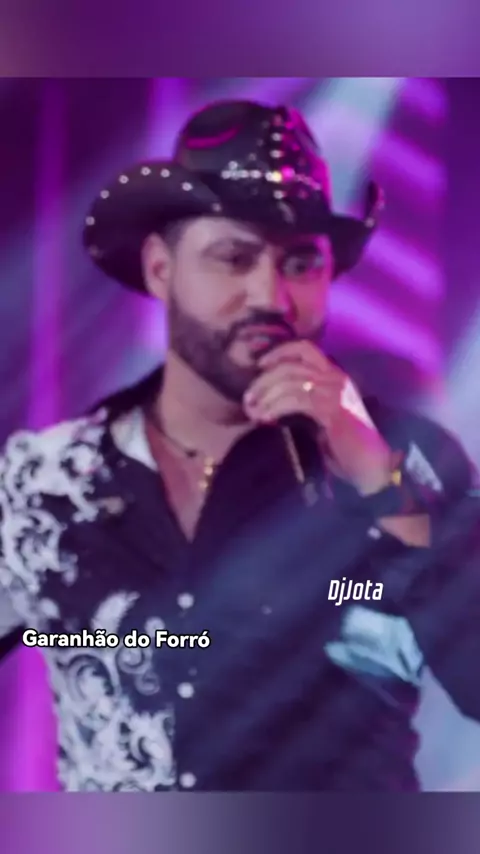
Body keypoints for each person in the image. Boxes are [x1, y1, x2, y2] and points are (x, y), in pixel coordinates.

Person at [1, 99, 479, 792]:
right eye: (234, 256)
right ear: (161, 268)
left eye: (301, 262)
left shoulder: (411, 458)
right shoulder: (50, 481)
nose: (270, 296)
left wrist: (383, 484)